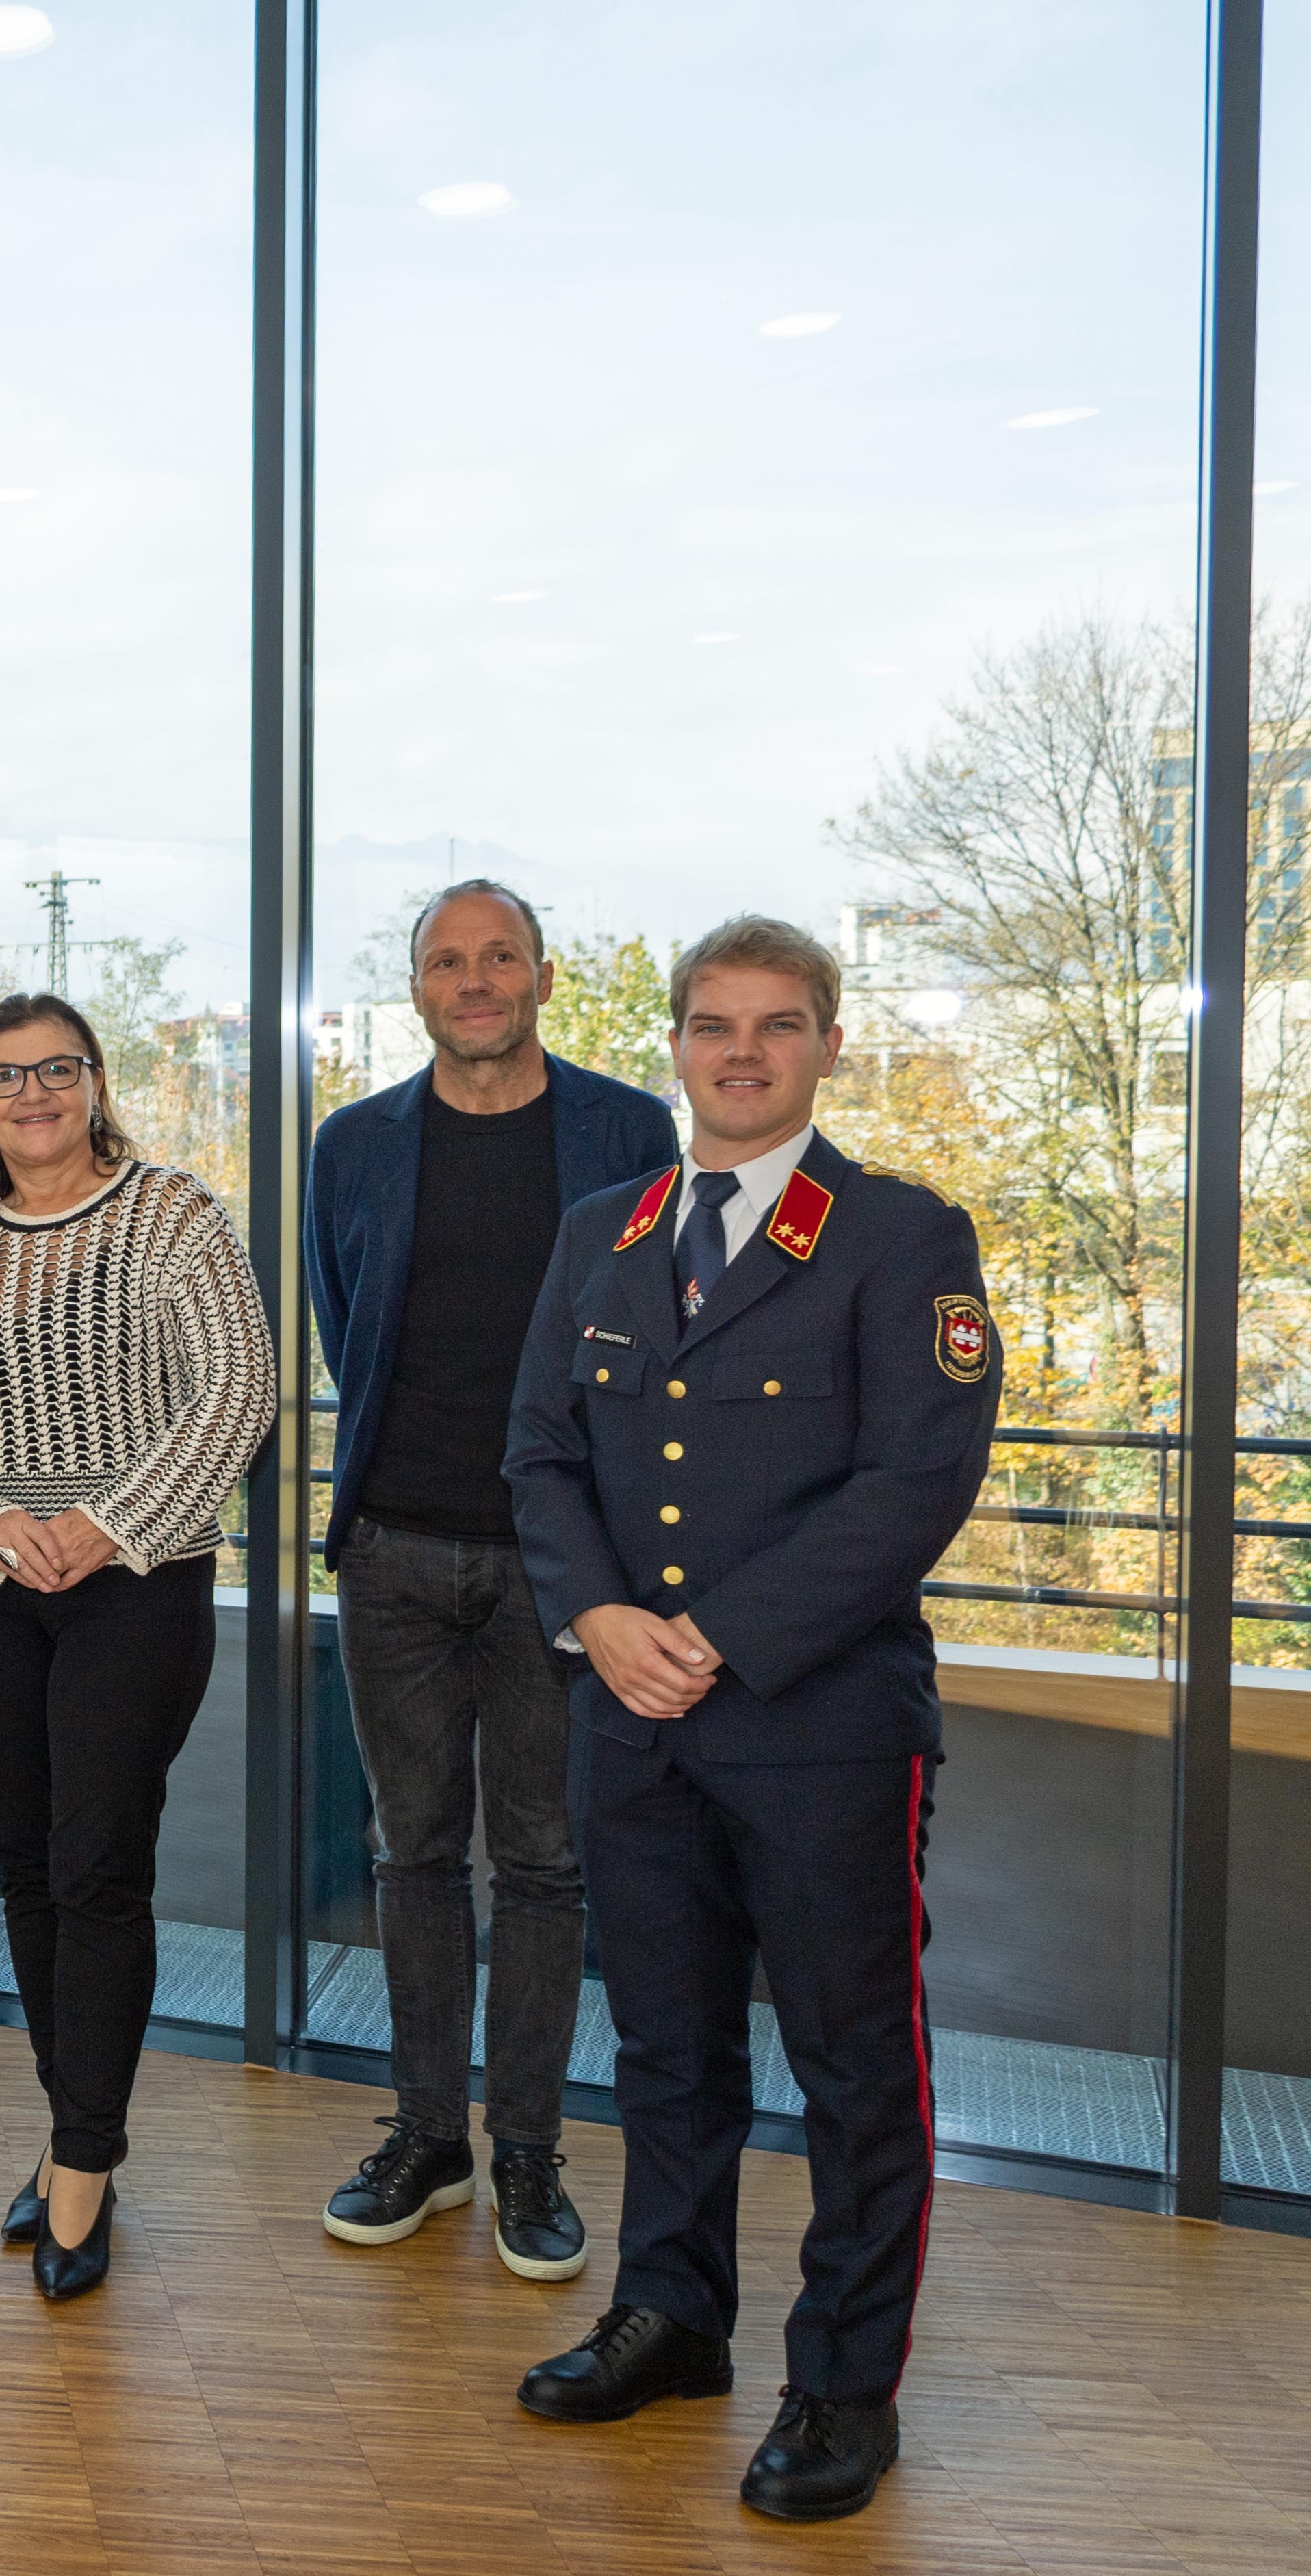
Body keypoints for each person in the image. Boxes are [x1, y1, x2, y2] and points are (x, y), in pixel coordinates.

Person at [503, 916, 999, 2523]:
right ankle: (675, 2314)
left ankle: (844, 2386)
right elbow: (541, 1456)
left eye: (777, 1026)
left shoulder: (899, 1235)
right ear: (675, 1041)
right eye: (713, 1025)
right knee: (662, 2046)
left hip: (820, 1724)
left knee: (855, 2065)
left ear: (826, 1046)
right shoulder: (604, 1227)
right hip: (631, 1721)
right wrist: (596, 1620)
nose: (741, 1051)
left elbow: (913, 1486)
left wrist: (709, 1636)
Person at [0, 993, 274, 2299]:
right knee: (29, 1872)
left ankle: (85, 2167)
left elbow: (238, 1391)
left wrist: (104, 1525)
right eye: (2, 1077)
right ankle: (67, 2131)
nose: (31, 1094)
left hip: (135, 1587)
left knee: (99, 1867)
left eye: (55, 1070)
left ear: (95, 1082)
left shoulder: (174, 1215)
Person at [304, 879, 675, 2278]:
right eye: (446, 962)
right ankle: (426, 2137)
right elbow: (352, 1329)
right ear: (415, 990)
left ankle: (526, 2148)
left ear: (540, 976)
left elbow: (653, 1335)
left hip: (561, 1563)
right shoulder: (354, 1144)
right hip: (393, 1547)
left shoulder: (624, 1131)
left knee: (539, 1863)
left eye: (497, 957)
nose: (474, 981)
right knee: (409, 1858)